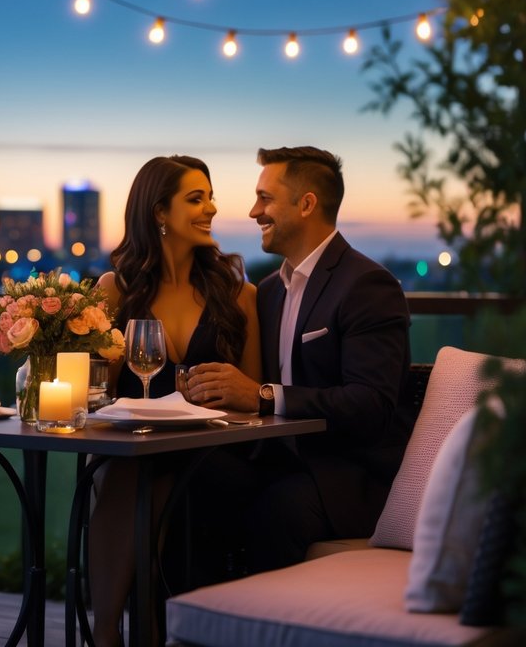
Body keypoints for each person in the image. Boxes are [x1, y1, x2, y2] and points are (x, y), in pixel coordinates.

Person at [181, 145, 413, 574]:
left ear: (307, 204)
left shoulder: (367, 286)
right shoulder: (269, 291)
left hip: (349, 477)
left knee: (274, 511)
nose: (253, 212)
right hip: (282, 463)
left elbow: (370, 405)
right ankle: (180, 624)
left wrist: (263, 396)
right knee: (189, 481)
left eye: (265, 198)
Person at [88, 155, 261, 647]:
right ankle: (113, 633)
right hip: (137, 451)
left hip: (216, 454)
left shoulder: (238, 294)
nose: (211, 208)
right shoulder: (115, 292)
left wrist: (228, 393)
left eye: (209, 197)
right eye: (195, 198)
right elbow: (96, 394)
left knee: (147, 470)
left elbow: (255, 395)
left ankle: (115, 634)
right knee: (135, 466)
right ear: (159, 212)